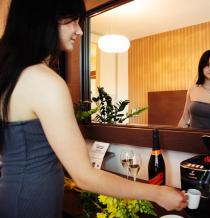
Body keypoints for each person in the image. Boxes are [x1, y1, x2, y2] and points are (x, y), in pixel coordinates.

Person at [0, 0, 187, 217]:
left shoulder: (13, 75)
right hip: (30, 204)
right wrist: (158, 194)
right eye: (73, 21)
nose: (79, 30)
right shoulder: (43, 80)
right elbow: (85, 176)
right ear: (44, 20)